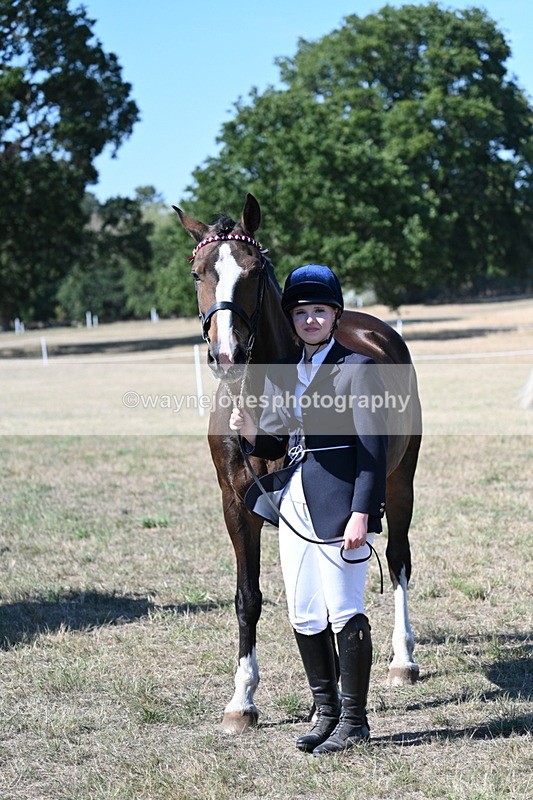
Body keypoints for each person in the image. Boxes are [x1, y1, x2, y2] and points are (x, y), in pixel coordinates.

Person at [229, 264, 388, 755]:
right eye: (302, 313)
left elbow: (373, 450)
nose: (311, 320)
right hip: (293, 504)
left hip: (340, 504)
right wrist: (250, 428)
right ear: (291, 318)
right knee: (302, 611)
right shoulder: (286, 374)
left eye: (320, 311)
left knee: (343, 609)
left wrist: (362, 512)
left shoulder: (357, 369)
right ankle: (325, 711)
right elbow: (280, 440)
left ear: (335, 315)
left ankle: (355, 720)